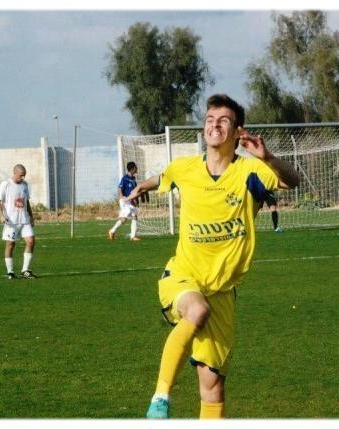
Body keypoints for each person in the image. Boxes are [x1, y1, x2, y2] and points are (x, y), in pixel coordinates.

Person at [125, 94, 299, 419]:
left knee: (213, 385)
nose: (214, 125)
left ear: (237, 131)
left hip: (222, 291)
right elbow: (163, 178)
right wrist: (140, 187)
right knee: (197, 310)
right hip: (183, 276)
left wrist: (268, 157)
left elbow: (293, 181)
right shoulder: (186, 168)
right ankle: (160, 398)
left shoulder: (251, 172)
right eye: (209, 120)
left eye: (223, 121)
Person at [0, 164, 37, 280]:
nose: (23, 178)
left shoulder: (25, 185)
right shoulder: (6, 184)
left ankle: (25, 270)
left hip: (24, 219)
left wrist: (31, 216)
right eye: (21, 175)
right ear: (15, 173)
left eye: (24, 176)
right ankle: (10, 272)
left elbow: (26, 202)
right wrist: (1, 215)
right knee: (10, 244)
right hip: (11, 221)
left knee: (31, 241)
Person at [108, 161, 141, 241]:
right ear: (132, 169)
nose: (137, 168)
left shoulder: (133, 179)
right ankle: (112, 231)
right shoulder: (125, 178)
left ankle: (133, 236)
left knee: (134, 217)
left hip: (131, 200)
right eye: (135, 167)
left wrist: (136, 200)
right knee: (124, 219)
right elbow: (119, 188)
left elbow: (135, 191)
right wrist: (122, 198)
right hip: (125, 200)